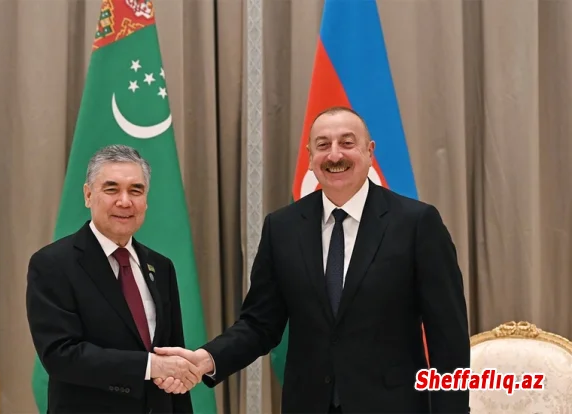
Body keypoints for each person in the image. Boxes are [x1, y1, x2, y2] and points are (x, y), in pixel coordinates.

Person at [156, 106, 471, 413]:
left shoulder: (416, 223)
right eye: (323, 145)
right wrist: (207, 359)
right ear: (310, 157)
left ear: (369, 151)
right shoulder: (282, 227)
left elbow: (448, 335)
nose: (335, 155)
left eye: (347, 143)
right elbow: (259, 324)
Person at [26, 145, 199, 414]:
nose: (125, 201)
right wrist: (150, 366)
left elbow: (172, 354)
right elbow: (60, 355)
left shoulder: (161, 267)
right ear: (88, 195)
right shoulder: (53, 264)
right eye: (112, 189)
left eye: (136, 191)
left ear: (146, 199)